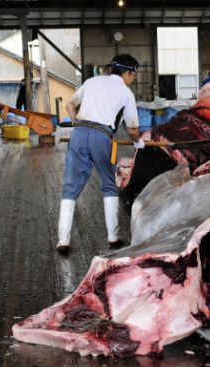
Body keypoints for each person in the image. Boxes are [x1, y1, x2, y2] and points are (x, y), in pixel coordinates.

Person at [56, 53, 144, 256]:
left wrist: (77, 123)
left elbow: (70, 105)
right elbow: (132, 129)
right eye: (133, 75)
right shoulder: (125, 92)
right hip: (102, 137)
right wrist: (139, 143)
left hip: (78, 134)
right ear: (128, 73)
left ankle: (63, 240)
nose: (133, 79)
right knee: (108, 183)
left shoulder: (91, 82)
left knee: (70, 186)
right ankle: (113, 238)